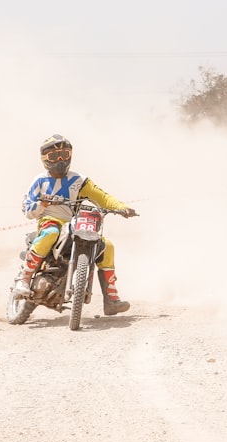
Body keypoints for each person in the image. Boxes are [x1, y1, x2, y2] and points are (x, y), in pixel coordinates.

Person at [14, 134, 138, 316]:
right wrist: (42, 204)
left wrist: (122, 208)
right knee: (50, 233)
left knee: (107, 246)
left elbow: (102, 197)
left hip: (75, 223)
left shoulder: (79, 180)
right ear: (45, 159)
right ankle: (24, 278)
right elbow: (26, 208)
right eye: (54, 156)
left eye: (64, 154)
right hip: (50, 221)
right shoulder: (40, 181)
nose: (60, 160)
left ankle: (111, 298)